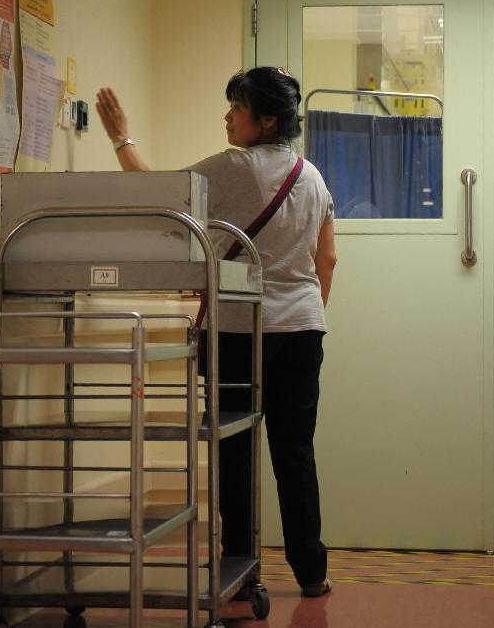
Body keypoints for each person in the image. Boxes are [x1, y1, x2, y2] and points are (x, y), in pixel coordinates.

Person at [95, 67, 336, 597]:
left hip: (237, 332)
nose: (227, 115)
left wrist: (120, 137)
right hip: (302, 331)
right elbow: (329, 259)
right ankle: (312, 571)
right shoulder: (313, 176)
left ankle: (243, 571)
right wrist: (301, 313)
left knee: (236, 450)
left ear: (266, 118)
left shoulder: (237, 166)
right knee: (295, 454)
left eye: (237, 106)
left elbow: (161, 197)